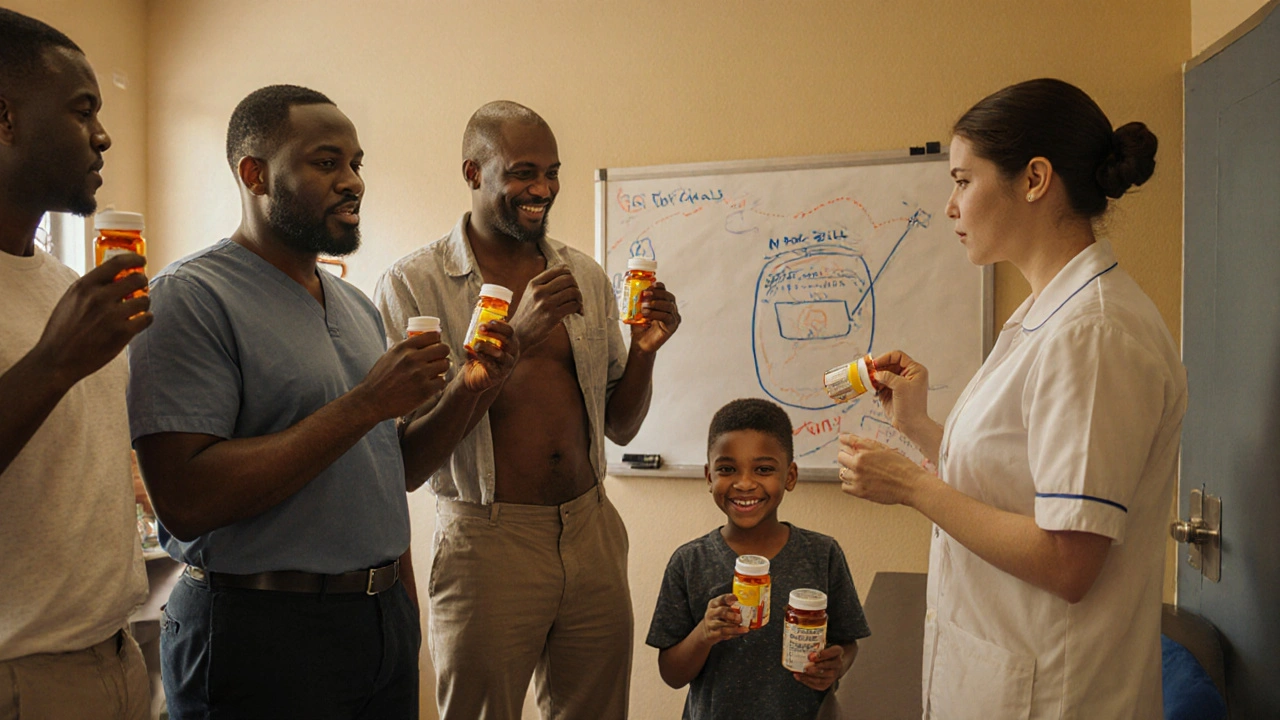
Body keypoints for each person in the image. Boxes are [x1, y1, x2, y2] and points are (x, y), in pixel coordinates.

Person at [126, 85, 479, 719]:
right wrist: (366, 403)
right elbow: (185, 501)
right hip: (258, 632)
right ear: (254, 174)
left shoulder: (357, 307)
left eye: (357, 163)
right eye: (326, 162)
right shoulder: (190, 299)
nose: (353, 182)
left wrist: (475, 389)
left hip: (376, 624)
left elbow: (385, 472)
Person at [836, 78, 1185, 719]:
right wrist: (922, 430)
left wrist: (912, 487)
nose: (950, 206)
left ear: (1034, 179)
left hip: (1058, 696)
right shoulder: (1049, 314)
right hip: (1005, 679)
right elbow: (1025, 481)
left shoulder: (1094, 333)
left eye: (964, 181)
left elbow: (1068, 560)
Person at [374, 100, 680, 719]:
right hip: (486, 544)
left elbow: (619, 425)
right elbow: (402, 463)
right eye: (522, 172)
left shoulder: (585, 277)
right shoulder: (412, 285)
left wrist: (646, 354)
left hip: (591, 530)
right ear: (472, 172)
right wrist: (513, 341)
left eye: (552, 171)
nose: (542, 188)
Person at [0, 8, 152, 719]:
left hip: (115, 656)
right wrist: (56, 360)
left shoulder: (64, 284)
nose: (103, 135)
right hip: (19, 674)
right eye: (82, 109)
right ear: (5, 120)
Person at [647, 398, 870, 719]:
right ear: (709, 477)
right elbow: (671, 674)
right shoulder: (689, 562)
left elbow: (847, 643)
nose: (745, 483)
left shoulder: (823, 554)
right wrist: (703, 634)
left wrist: (836, 665)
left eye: (763, 469)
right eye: (727, 469)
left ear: (790, 476)